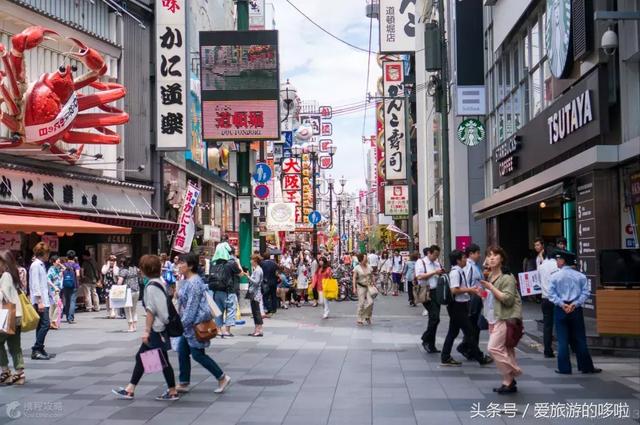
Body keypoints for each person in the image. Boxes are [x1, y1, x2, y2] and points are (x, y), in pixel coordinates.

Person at [112, 255, 179, 401]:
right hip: (160, 328)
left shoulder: (151, 286)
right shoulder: (159, 282)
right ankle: (133, 388)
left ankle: (132, 389)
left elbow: (151, 311)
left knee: (149, 358)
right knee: (155, 359)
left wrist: (147, 331)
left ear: (145, 269)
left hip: (157, 329)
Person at [175, 253, 231, 394]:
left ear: (191, 266)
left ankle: (222, 377)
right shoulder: (189, 280)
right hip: (189, 326)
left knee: (198, 354)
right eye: (179, 263)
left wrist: (181, 324)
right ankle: (184, 382)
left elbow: (191, 308)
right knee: (182, 351)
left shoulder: (194, 282)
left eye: (182, 263)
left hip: (194, 325)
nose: (179, 265)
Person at [548, 250, 602, 375]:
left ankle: (564, 368)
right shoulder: (580, 276)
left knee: (562, 340)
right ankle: (586, 367)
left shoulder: (555, 276)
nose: (557, 261)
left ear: (563, 261)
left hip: (561, 309)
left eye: (558, 259)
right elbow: (586, 293)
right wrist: (574, 304)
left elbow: (551, 294)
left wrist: (562, 304)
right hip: (576, 309)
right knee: (580, 339)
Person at [480, 246, 523, 394]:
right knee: (507, 349)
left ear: (502, 259)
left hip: (506, 317)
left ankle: (514, 370)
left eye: (495, 256)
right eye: (489, 255)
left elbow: (508, 299)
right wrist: (483, 293)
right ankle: (508, 382)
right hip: (494, 317)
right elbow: (490, 299)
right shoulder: (490, 276)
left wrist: (491, 288)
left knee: (493, 348)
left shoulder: (507, 277)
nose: (491, 258)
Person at [440, 250, 492, 367]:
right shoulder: (455, 273)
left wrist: (476, 291)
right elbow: (454, 290)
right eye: (464, 258)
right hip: (458, 307)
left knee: (453, 332)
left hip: (461, 306)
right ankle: (480, 357)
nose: (465, 260)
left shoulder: (460, 271)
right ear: (458, 260)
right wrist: (470, 290)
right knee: (470, 333)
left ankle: (445, 356)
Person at [0, 250, 25, 385]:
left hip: (7, 314)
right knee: (15, 345)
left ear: (5, 262)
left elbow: (3, 295)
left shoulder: (5, 276)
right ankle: (20, 373)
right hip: (17, 315)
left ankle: (5, 371)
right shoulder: (14, 275)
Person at [457, 244, 485, 360]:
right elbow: (468, 282)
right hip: (473, 298)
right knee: (473, 325)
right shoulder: (469, 266)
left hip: (477, 297)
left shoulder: (474, 266)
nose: (479, 255)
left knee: (474, 326)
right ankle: (467, 347)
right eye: (478, 253)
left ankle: (470, 349)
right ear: (471, 254)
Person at [416, 245, 445, 353]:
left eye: (438, 255)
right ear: (429, 253)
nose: (436, 257)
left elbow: (439, 275)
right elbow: (419, 276)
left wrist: (441, 272)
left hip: (436, 292)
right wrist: (434, 272)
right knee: (435, 317)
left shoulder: (437, 263)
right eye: (435, 255)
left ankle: (430, 344)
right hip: (426, 292)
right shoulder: (421, 262)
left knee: (433, 318)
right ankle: (425, 338)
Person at [29, 242, 52, 360]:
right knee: (45, 324)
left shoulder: (40, 265)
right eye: (48, 253)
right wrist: (39, 301)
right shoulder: (36, 265)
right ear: (44, 253)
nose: (49, 256)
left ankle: (40, 348)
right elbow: (35, 284)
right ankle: (36, 348)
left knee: (41, 325)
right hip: (40, 300)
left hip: (44, 299)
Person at [538, 246, 560, 358]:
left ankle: (547, 350)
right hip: (557, 299)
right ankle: (563, 349)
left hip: (545, 298)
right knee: (560, 325)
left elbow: (538, 281)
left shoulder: (541, 266)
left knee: (547, 326)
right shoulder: (557, 265)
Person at [118, 257, 141, 333]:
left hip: (128, 291)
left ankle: (130, 326)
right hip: (136, 290)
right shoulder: (135, 268)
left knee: (127, 309)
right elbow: (140, 274)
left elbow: (120, 282)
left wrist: (117, 288)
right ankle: (134, 325)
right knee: (134, 308)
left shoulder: (123, 270)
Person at [244, 254, 264, 337]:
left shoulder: (258, 270)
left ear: (255, 261)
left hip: (256, 293)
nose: (250, 261)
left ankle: (259, 330)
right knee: (255, 312)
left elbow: (256, 282)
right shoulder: (256, 269)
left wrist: (248, 276)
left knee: (256, 312)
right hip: (254, 293)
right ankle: (256, 330)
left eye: (251, 260)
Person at [352, 253, 374, 325]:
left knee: (371, 302)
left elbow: (372, 275)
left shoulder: (369, 267)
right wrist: (354, 288)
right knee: (361, 303)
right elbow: (354, 278)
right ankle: (359, 318)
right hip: (361, 286)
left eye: (366, 258)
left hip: (369, 287)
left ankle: (367, 316)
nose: (366, 259)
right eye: (365, 258)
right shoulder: (357, 268)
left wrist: (374, 283)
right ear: (361, 260)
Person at [61, 251, 81, 324]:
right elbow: (78, 275)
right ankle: (70, 318)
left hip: (65, 285)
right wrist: (77, 281)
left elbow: (61, 274)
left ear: (67, 257)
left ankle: (67, 317)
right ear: (74, 257)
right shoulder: (76, 265)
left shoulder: (64, 265)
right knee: (73, 301)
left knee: (67, 301)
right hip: (74, 285)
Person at [46, 256, 64, 330]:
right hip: (53, 290)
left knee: (53, 306)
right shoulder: (51, 270)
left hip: (57, 289)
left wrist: (60, 264)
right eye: (57, 260)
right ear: (53, 262)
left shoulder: (57, 269)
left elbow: (64, 269)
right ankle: (53, 321)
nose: (59, 262)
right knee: (58, 305)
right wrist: (54, 287)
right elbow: (48, 280)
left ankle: (51, 322)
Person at [101, 255, 119, 319]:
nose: (112, 262)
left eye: (113, 261)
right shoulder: (105, 266)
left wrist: (114, 266)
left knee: (113, 298)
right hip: (106, 284)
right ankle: (108, 311)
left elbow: (116, 273)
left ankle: (113, 311)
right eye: (111, 260)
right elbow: (103, 272)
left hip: (114, 284)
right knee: (107, 298)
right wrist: (108, 265)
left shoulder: (116, 267)